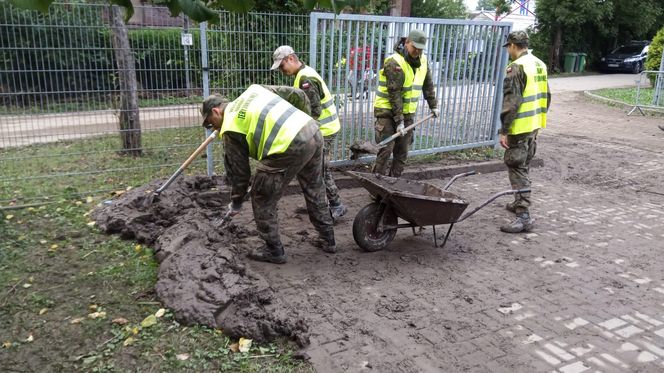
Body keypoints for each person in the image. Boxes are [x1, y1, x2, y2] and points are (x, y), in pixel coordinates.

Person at [201, 84, 337, 264]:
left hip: (288, 145)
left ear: (216, 111)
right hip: (312, 130)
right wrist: (305, 118)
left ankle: (273, 250)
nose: (213, 128)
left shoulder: (230, 127)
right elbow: (298, 94)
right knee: (314, 186)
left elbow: (240, 173)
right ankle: (328, 239)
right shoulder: (254, 91)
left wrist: (236, 201)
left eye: (210, 123)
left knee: (262, 195)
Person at [271, 45, 347, 220]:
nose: (281, 70)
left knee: (319, 169)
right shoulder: (302, 74)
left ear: (290, 59)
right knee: (309, 168)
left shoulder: (306, 79)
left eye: (281, 66)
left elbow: (314, 111)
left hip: (325, 130)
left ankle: (336, 205)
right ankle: (316, 203)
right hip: (321, 128)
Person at [499, 30, 551, 233]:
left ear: (513, 45)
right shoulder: (539, 64)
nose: (508, 51)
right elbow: (547, 95)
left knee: (516, 165)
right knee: (524, 164)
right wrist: (539, 118)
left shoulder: (516, 67)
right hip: (535, 124)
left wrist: (505, 129)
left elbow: (512, 103)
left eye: (509, 47)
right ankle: (518, 202)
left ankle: (523, 215)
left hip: (520, 127)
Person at [372, 29, 440, 177]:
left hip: (408, 113)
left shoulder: (423, 61)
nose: (417, 51)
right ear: (407, 42)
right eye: (414, 47)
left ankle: (393, 183)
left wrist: (433, 105)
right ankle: (376, 184)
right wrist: (399, 121)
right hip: (387, 112)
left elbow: (428, 85)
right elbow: (394, 93)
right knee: (386, 149)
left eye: (420, 48)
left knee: (402, 151)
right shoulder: (394, 62)